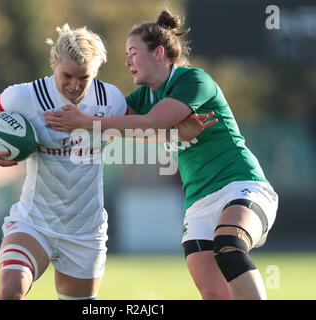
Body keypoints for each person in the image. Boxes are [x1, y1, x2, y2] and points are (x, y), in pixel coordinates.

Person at [45, 10, 279, 300]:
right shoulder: (144, 97)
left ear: (158, 53)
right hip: (199, 202)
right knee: (215, 293)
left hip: (241, 185)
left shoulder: (194, 80)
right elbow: (115, 126)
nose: (127, 60)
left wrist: (86, 123)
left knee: (229, 246)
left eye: (133, 52)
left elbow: (152, 122)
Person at [0, 24, 131, 300]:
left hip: (85, 232)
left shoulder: (109, 99)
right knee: (9, 290)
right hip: (34, 223)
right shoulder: (26, 96)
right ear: (53, 62)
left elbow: (141, 126)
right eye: (66, 75)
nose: (75, 85)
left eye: (84, 77)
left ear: (95, 73)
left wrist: (95, 126)